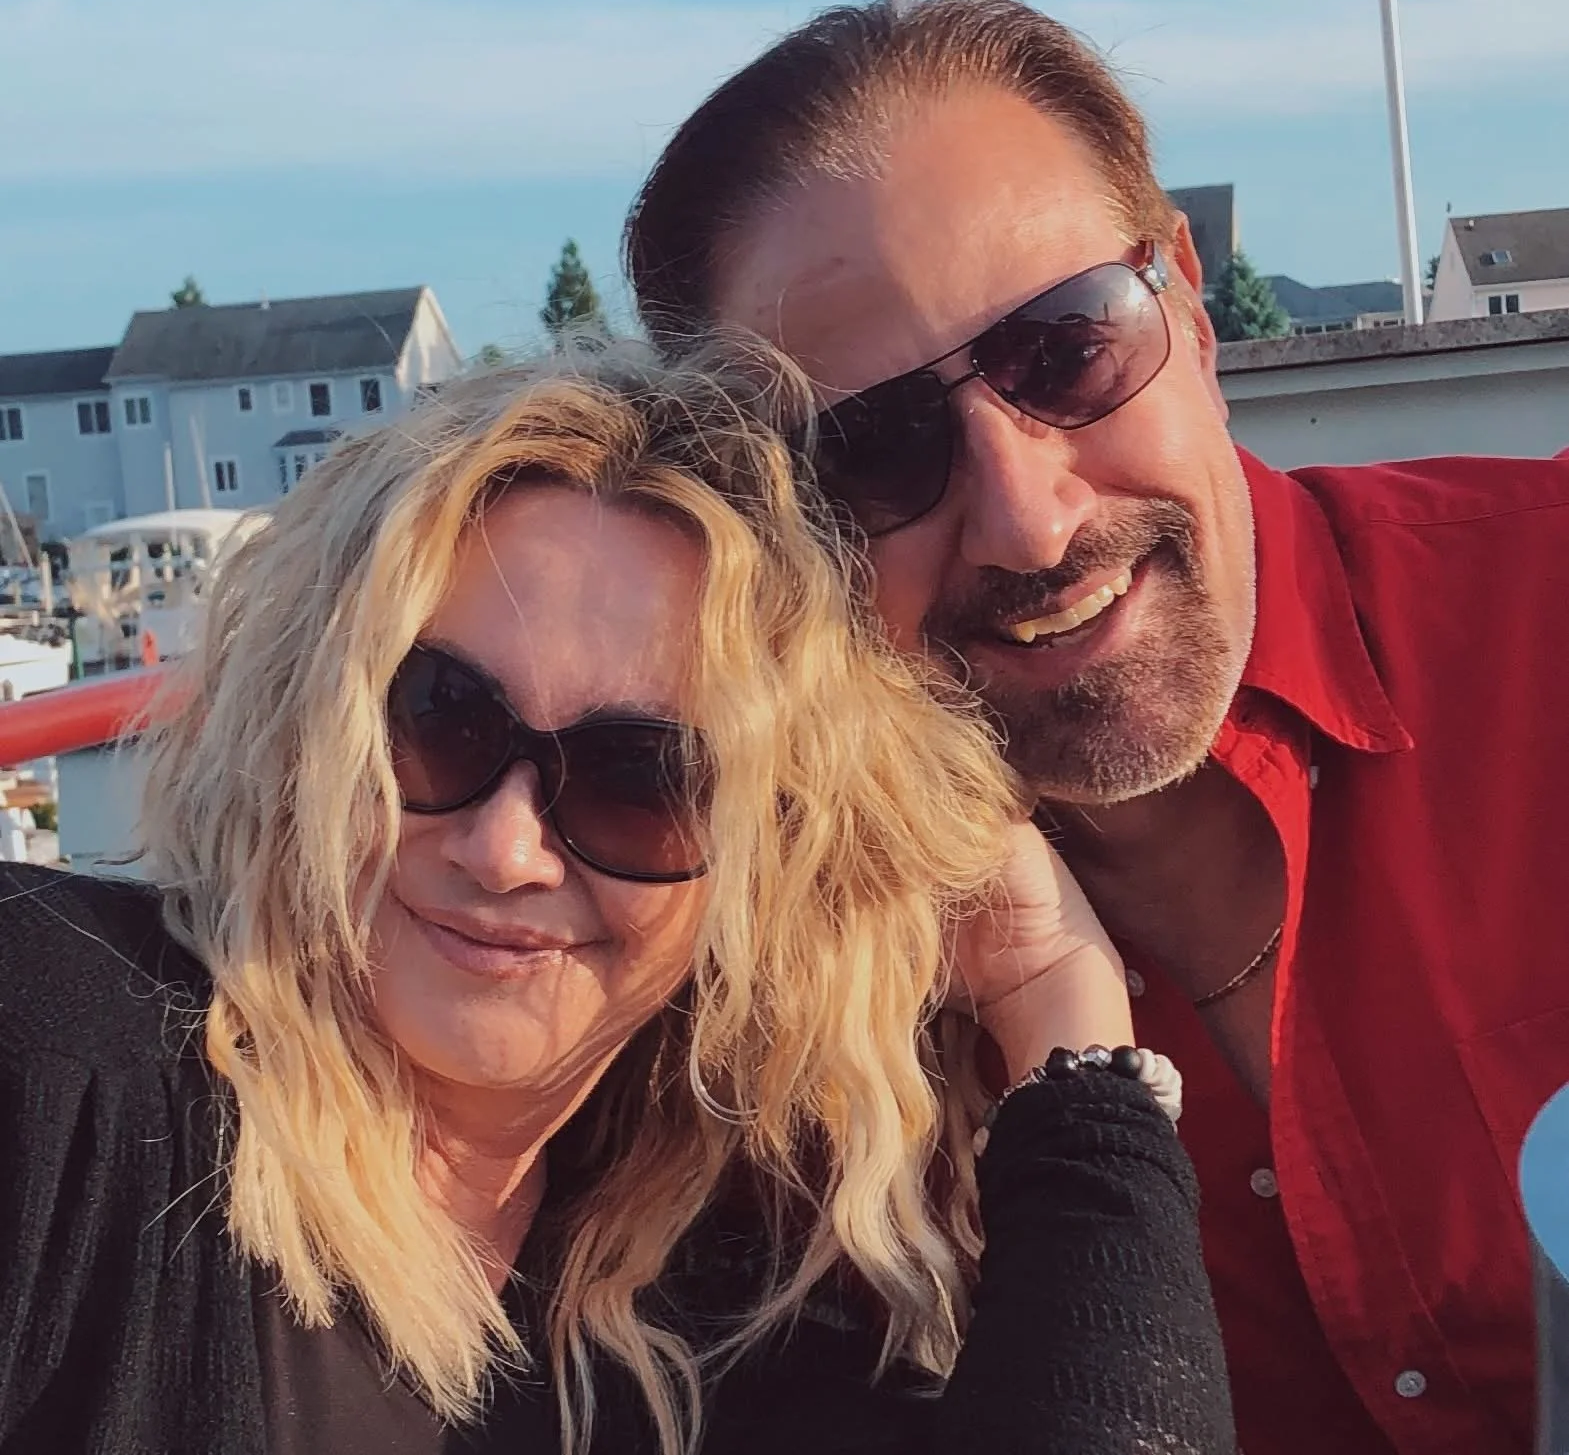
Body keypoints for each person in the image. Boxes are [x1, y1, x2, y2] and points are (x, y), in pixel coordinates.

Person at [624, 0, 1569, 1455]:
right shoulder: (782, 997)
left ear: (1185, 301)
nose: (1024, 518)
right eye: (868, 451)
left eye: (1066, 350)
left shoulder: (1543, 606)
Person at [0, 342, 1233, 1455]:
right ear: (310, 726)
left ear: (770, 854)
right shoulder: (61, 1064)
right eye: (437, 720)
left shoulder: (700, 1335)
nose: (503, 849)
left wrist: (1058, 1008)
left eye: (646, 781)